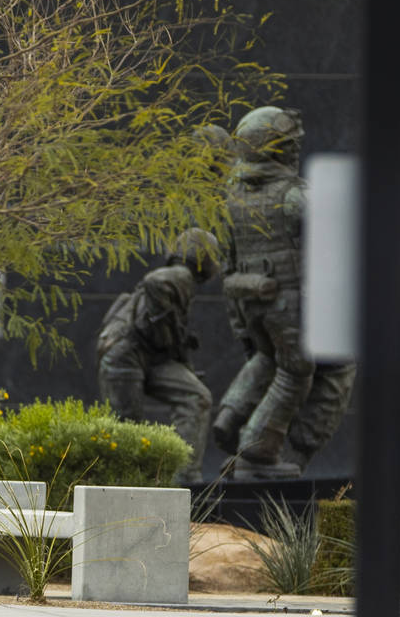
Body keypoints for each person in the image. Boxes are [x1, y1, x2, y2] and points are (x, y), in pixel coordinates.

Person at [212, 106, 314, 480]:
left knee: (267, 358)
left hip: (249, 300)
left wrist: (240, 319)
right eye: (289, 145)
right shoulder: (294, 196)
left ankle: (230, 413)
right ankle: (257, 448)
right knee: (297, 370)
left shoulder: (233, 195)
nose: (295, 151)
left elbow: (228, 259)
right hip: (285, 300)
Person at [96, 229, 220, 485]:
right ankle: (127, 491)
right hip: (125, 356)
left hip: (146, 357)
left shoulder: (183, 282)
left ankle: (184, 477)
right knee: (126, 432)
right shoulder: (181, 275)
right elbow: (155, 281)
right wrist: (164, 311)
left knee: (196, 397)